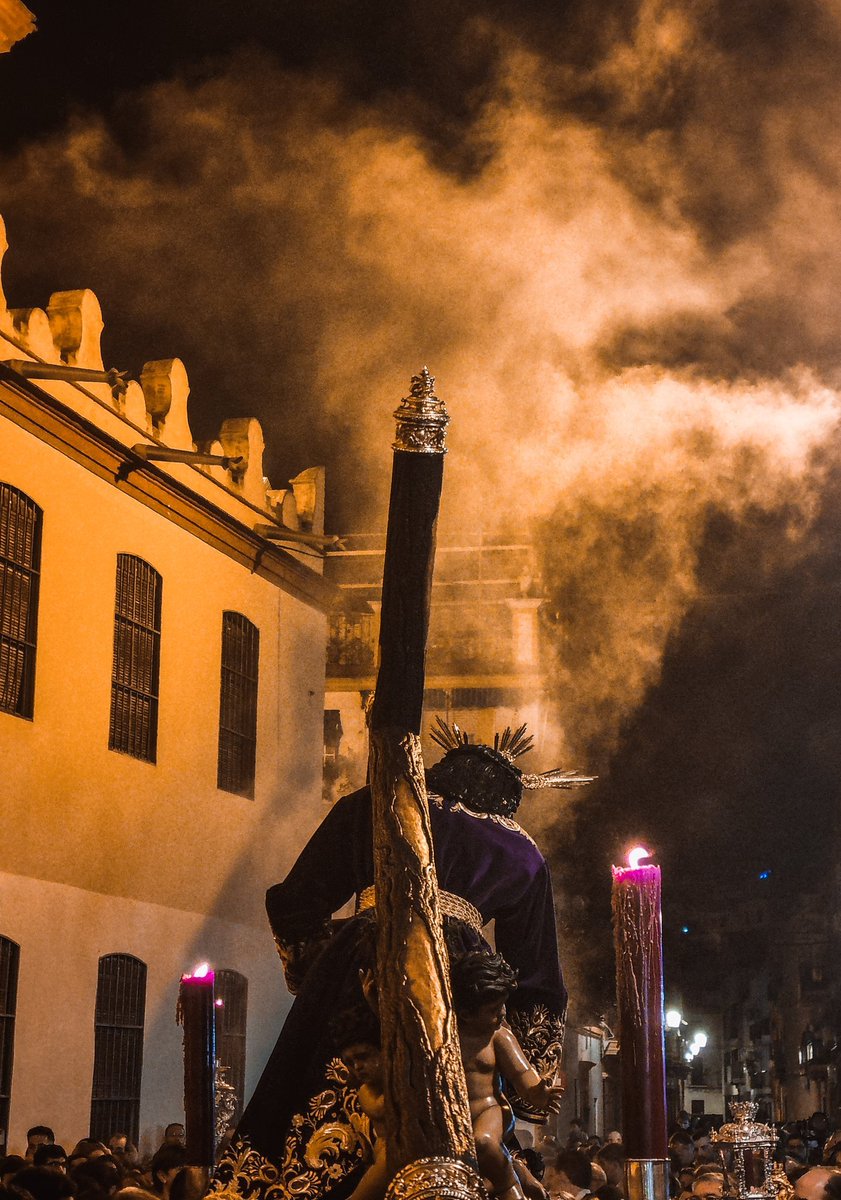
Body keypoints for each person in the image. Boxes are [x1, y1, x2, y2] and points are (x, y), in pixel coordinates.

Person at [214, 725, 589, 1200]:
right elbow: (536, 978)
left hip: (364, 955)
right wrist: (526, 1074)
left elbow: (296, 902)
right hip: (462, 979)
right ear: (510, 797)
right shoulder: (523, 851)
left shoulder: (371, 802)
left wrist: (318, 971)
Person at [451, 951, 563, 1200]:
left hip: (489, 1112)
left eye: (503, 1004)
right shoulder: (446, 1036)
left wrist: (537, 1092)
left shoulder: (498, 1037)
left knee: (485, 1142)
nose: (502, 1013)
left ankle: (510, 1187)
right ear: (466, 1013)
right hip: (455, 1120)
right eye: (493, 1008)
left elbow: (521, 1072)